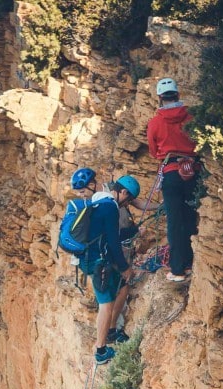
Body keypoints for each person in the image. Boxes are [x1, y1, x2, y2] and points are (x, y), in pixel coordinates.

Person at [69, 168, 145, 365]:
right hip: (97, 262)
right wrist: (125, 267)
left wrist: (134, 231)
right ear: (124, 193)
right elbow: (112, 242)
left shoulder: (99, 203)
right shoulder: (110, 207)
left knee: (122, 288)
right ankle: (101, 351)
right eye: (128, 200)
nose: (127, 204)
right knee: (106, 304)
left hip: (91, 258)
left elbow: (113, 234)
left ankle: (111, 332)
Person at [146, 77, 200, 282]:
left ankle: (178, 269)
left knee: (175, 221)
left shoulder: (155, 122)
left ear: (160, 98)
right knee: (190, 217)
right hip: (193, 171)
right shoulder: (191, 117)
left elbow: (153, 151)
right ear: (177, 95)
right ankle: (192, 261)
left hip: (171, 172)